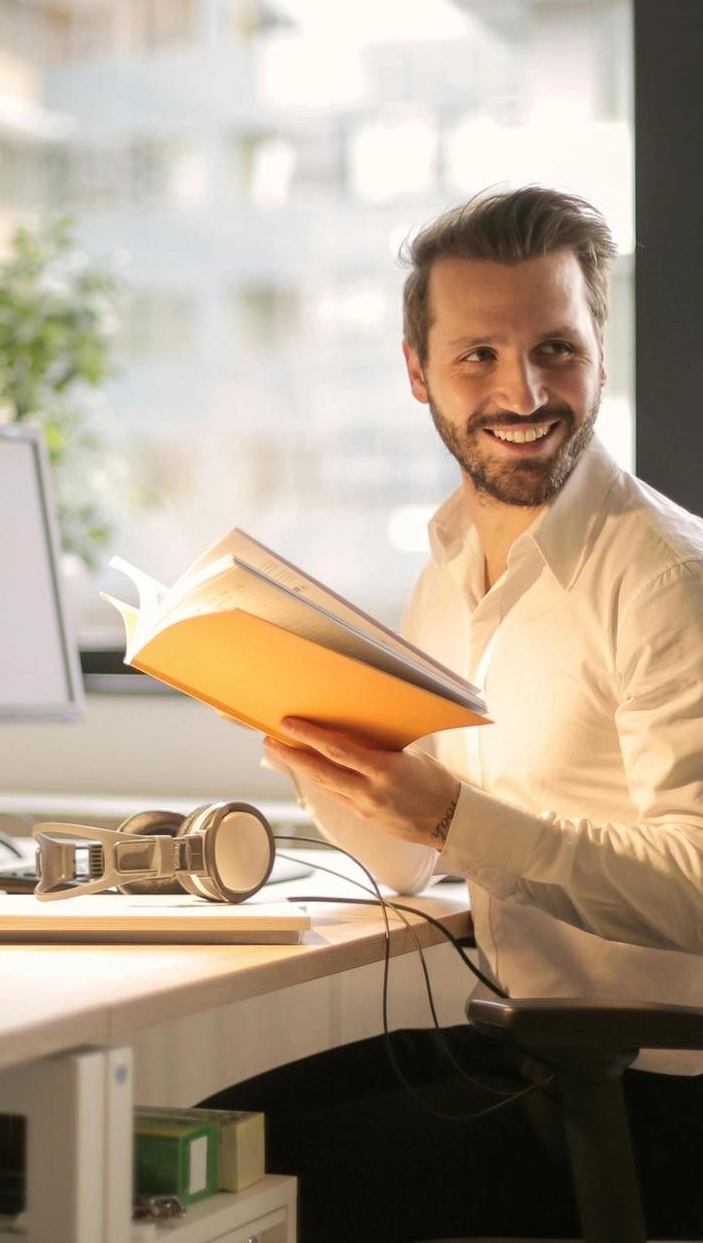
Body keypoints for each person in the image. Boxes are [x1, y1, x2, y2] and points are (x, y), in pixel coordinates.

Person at [203, 187, 703, 1241]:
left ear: (600, 349)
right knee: (198, 1137)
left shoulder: (664, 574)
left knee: (219, 1188)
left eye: (556, 348)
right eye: (478, 354)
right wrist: (312, 743)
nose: (523, 390)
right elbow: (404, 864)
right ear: (417, 371)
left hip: (656, 1087)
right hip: (536, 1048)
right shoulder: (448, 565)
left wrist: (452, 816)